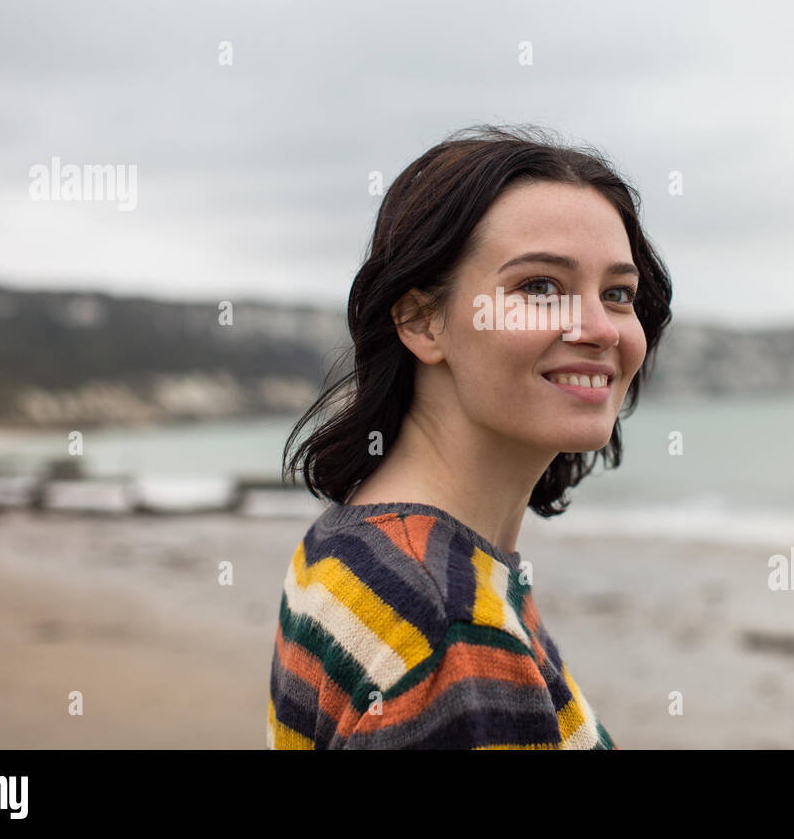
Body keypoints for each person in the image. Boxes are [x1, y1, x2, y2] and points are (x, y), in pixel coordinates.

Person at [268, 123, 673, 748]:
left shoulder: (351, 543)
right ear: (421, 320)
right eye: (540, 287)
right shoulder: (446, 628)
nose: (601, 328)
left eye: (618, 294)